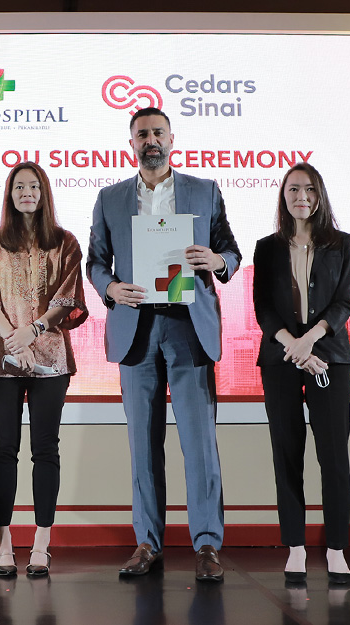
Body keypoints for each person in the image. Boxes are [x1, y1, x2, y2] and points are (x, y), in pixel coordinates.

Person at [86, 107, 241, 581]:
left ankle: (207, 546)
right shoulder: (109, 198)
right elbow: (95, 263)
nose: (150, 140)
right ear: (130, 143)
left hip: (188, 327)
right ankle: (147, 543)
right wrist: (111, 289)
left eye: (157, 132)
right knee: (142, 446)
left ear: (172, 138)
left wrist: (214, 259)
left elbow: (231, 253)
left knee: (200, 445)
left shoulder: (204, 191)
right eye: (141, 134)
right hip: (136, 328)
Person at [0, 162, 88, 578]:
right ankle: (3, 545)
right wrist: (12, 338)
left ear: (44, 192)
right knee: (3, 448)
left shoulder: (65, 242)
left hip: (50, 360)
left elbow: (68, 296)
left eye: (33, 186)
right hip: (0, 361)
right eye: (19, 186)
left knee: (45, 449)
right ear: (9, 194)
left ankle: (41, 544)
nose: (26, 192)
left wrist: (33, 330)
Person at [252, 162, 350, 584]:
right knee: (286, 453)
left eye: (309, 190)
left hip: (328, 356)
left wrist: (309, 341)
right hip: (280, 361)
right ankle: (295, 546)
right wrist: (292, 347)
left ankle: (335, 548)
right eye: (293, 190)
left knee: (333, 457)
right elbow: (263, 308)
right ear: (283, 196)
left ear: (320, 196)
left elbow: (343, 303)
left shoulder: (342, 243)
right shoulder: (267, 247)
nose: (301, 197)